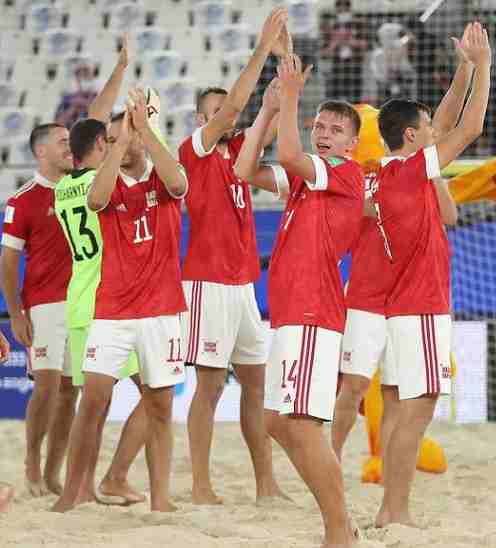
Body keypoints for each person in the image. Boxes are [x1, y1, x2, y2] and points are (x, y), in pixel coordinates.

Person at [233, 52, 370, 545]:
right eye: (320, 124)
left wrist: (291, 96)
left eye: (335, 128)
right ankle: (340, 521)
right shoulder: (307, 182)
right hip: (292, 311)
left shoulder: (346, 174)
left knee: (302, 423)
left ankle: (339, 529)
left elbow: (289, 156)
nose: (324, 131)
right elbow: (245, 169)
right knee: (274, 419)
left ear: (352, 144)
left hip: (314, 310)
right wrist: (270, 111)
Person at [366, 22, 491, 528]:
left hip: (401, 306)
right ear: (412, 139)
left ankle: (390, 509)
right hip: (419, 306)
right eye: (425, 129)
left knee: (399, 409)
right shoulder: (412, 169)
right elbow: (469, 128)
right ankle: (393, 510)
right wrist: (482, 67)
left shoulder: (389, 170)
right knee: (417, 410)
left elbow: (439, 123)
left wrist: (462, 69)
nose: (433, 132)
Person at [331, 38, 476, 464]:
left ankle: (389, 463)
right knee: (353, 387)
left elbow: (444, 124)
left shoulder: (408, 168)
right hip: (365, 292)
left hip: (399, 297)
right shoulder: (357, 172)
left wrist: (465, 70)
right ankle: (331, 460)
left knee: (394, 391)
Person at [53, 88, 190, 514]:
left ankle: (161, 499)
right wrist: (120, 140)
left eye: (121, 137)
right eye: (109, 140)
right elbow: (95, 199)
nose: (117, 143)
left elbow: (179, 183)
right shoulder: (104, 184)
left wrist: (143, 131)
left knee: (160, 405)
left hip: (162, 309)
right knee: (92, 399)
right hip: (111, 310)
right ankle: (72, 494)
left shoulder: (161, 177)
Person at [179, 8, 290, 506]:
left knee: (255, 384)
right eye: (220, 110)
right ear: (203, 119)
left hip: (242, 284)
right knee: (208, 387)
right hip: (205, 282)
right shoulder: (194, 149)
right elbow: (242, 103)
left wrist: (286, 64)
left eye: (232, 111)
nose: (232, 114)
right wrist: (263, 49)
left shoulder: (238, 150)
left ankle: (266, 484)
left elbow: (272, 112)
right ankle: (201, 486)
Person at [7, 123, 78, 497]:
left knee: (70, 390)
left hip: (81, 304)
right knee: (48, 386)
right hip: (44, 303)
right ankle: (32, 462)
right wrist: (16, 313)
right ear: (41, 152)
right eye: (62, 142)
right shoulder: (24, 198)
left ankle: (53, 473)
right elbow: (8, 260)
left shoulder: (79, 187)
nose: (70, 147)